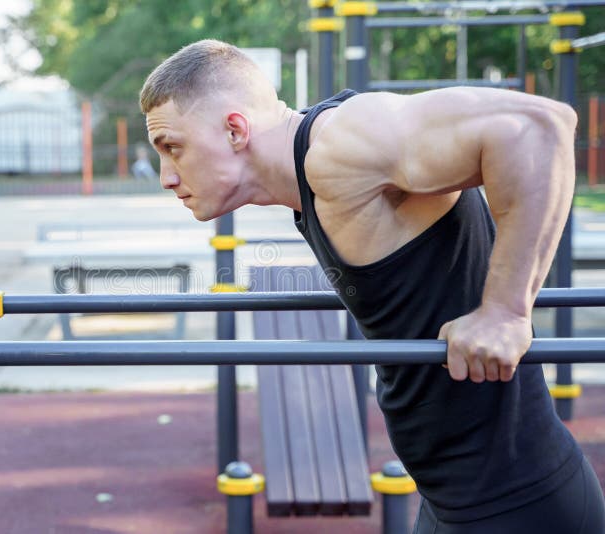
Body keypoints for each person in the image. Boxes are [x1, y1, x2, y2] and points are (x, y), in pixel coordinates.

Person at [139, 40, 605, 533]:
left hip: (516, 505)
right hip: (452, 500)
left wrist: (506, 311)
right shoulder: (312, 178)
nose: (168, 177)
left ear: (235, 129)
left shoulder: (341, 144)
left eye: (173, 147)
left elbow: (538, 126)